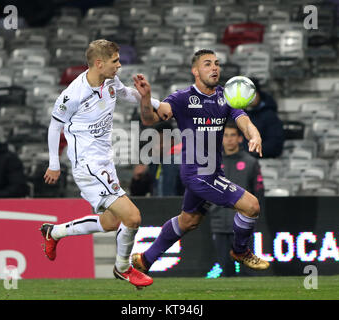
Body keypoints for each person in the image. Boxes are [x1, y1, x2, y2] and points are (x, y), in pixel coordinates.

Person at [40, 39, 167, 289]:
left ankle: (53, 233)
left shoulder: (109, 80)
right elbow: (55, 126)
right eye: (115, 61)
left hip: (105, 162)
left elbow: (126, 94)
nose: (119, 65)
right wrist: (54, 163)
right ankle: (123, 268)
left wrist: (153, 102)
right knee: (133, 217)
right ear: (99, 63)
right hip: (88, 165)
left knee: (110, 223)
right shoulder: (73, 94)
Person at [131, 49, 270, 275]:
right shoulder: (181, 98)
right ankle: (241, 251)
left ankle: (145, 259)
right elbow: (149, 119)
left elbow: (243, 121)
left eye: (216, 63)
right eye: (207, 64)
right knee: (251, 206)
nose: (214, 67)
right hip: (197, 173)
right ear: (195, 71)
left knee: (189, 221)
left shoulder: (226, 96)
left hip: (213, 172)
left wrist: (254, 135)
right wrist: (146, 98)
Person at [209, 120, 265, 277]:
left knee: (247, 271)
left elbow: (259, 193)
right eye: (225, 135)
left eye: (233, 135)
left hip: (243, 224)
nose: (229, 139)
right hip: (219, 222)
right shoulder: (212, 163)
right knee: (225, 269)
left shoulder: (251, 163)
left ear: (240, 138)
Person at [130, 121, 184, 197]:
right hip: (157, 207)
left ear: (172, 141)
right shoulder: (153, 164)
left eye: (161, 142)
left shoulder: (181, 163)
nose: (156, 146)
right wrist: (137, 179)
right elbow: (138, 194)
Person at [242, 77, 285, 158]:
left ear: (258, 94)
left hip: (263, 160)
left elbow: (275, 144)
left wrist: (253, 151)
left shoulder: (270, 116)